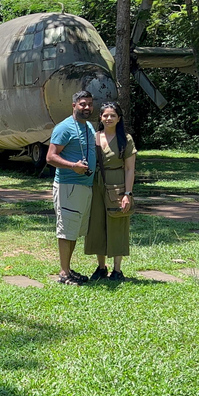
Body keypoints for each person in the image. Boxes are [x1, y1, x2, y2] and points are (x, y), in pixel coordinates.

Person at [46, 90, 97, 285]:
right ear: (73, 105)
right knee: (66, 230)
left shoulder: (88, 127)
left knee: (74, 230)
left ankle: (67, 268)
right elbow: (50, 157)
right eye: (83, 104)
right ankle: (63, 273)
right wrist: (72, 166)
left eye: (90, 104)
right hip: (68, 186)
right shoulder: (64, 128)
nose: (87, 108)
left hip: (85, 186)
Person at [85, 102, 137, 281]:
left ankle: (117, 270)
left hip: (117, 185)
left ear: (119, 118)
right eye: (105, 115)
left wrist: (127, 194)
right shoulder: (93, 137)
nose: (109, 118)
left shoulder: (126, 139)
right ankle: (101, 267)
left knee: (117, 223)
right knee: (96, 224)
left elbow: (130, 169)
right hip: (96, 184)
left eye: (112, 115)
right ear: (100, 117)